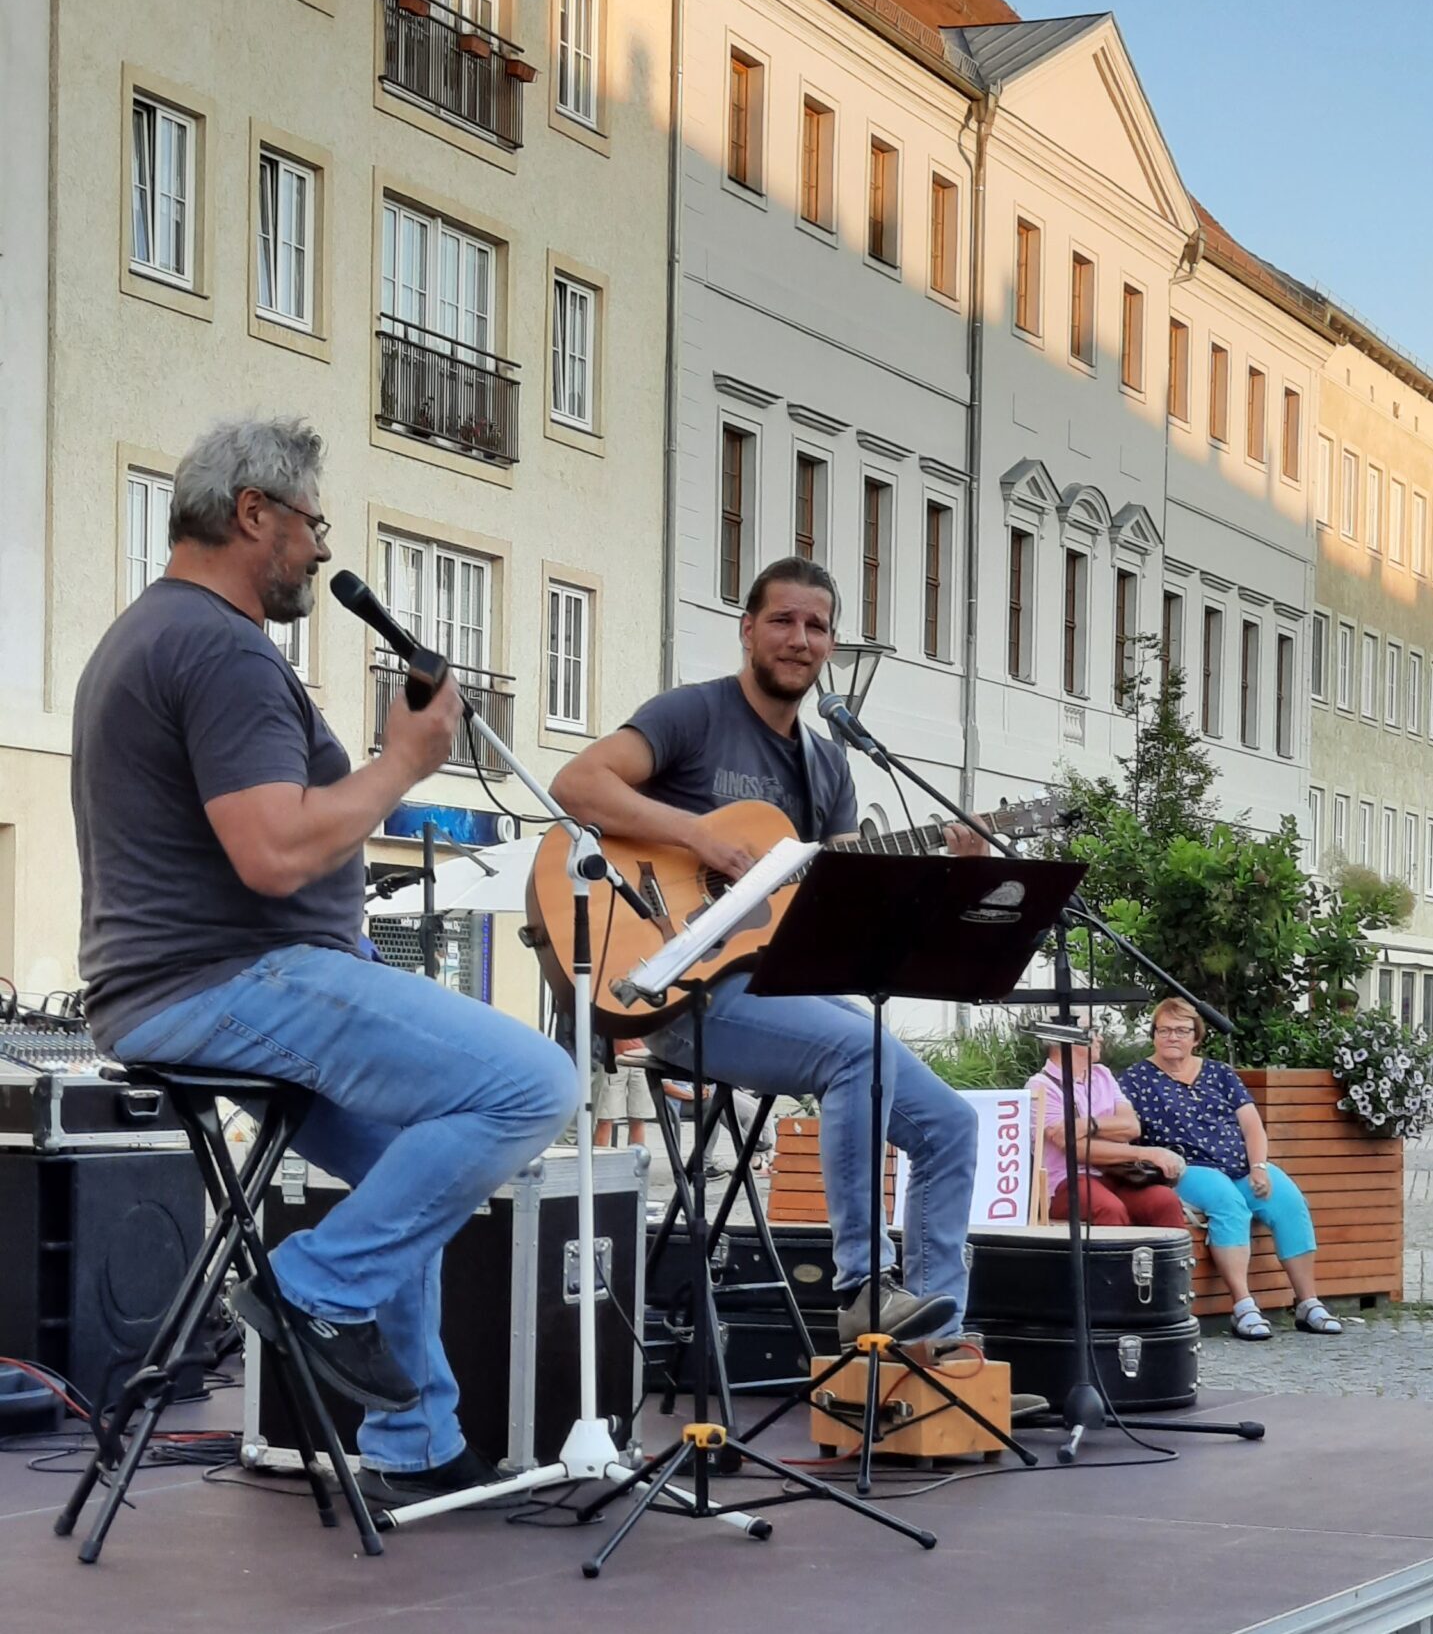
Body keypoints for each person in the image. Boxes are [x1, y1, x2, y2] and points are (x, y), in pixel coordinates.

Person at [71, 416, 578, 1506]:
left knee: (416, 1160)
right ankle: (309, 1290)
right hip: (225, 980)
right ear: (254, 513)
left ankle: (414, 1438)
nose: (319, 550)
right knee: (537, 1081)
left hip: (183, 987)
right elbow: (271, 848)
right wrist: (402, 762)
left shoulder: (152, 633)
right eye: (312, 525)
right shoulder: (219, 645)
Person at [550, 556, 981, 1352]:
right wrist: (697, 835)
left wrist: (940, 873)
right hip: (683, 990)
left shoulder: (826, 764)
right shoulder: (691, 717)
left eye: (816, 626)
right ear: (746, 629)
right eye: (782, 620)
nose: (799, 638)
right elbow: (576, 784)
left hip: (785, 988)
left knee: (951, 1123)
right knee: (863, 1054)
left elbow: (842, 900)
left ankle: (935, 1343)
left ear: (830, 644)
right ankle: (861, 1287)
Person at [1119, 999, 1343, 1339]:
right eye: (1163, 1030)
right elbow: (1127, 1132)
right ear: (1153, 1035)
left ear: (1196, 1037)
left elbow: (1252, 1127)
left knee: (1288, 1201)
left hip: (1238, 1164)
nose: (1171, 1037)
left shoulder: (1220, 1073)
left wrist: (1259, 1166)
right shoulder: (1135, 1079)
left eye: (1181, 1030)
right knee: (1227, 1202)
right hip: (1186, 1167)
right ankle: (1243, 1305)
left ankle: (1307, 1301)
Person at [1024, 1030, 1186, 1231]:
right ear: (1068, 1039)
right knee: (1109, 1209)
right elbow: (1075, 1148)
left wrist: (1088, 1125)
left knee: (1164, 1201)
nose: (1100, 1038)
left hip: (1119, 1174)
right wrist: (1146, 1153)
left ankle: (1169, 1262)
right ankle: (1118, 1263)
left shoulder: (1102, 1074)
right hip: (1067, 1182)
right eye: (1093, 1032)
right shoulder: (1040, 1087)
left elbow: (1132, 1127)